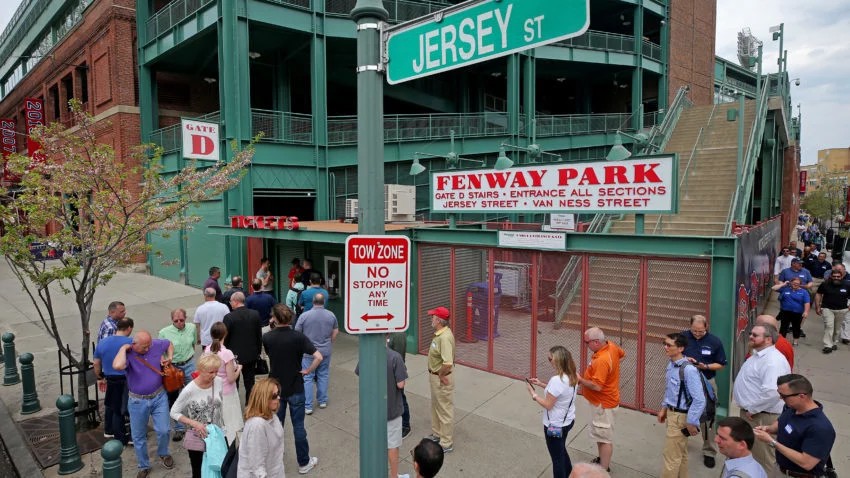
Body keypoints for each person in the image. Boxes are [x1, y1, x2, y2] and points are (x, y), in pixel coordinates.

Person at [263, 304, 322, 474]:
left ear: (274, 318)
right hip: (296, 386)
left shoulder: (268, 338)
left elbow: (269, 356)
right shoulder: (298, 337)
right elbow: (319, 356)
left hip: (275, 389)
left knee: (275, 426)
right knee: (298, 427)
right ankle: (304, 462)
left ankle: (274, 462)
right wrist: (308, 370)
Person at [112, 331, 175, 478]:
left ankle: (164, 453)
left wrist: (169, 357)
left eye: (149, 346)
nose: (147, 349)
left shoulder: (155, 344)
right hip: (137, 401)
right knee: (138, 435)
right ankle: (144, 465)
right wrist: (123, 349)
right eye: (144, 347)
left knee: (164, 429)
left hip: (159, 396)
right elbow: (117, 366)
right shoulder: (128, 354)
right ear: (134, 344)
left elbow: (169, 343)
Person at [732, 324, 790, 475]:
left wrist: (753, 409)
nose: (750, 336)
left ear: (768, 339)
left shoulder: (773, 361)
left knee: (762, 459)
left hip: (761, 417)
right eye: (751, 333)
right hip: (754, 414)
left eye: (755, 335)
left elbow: (772, 392)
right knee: (751, 455)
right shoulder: (759, 354)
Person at [752, 374, 836, 478]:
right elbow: (781, 423)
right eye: (779, 394)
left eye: (784, 396)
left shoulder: (820, 428)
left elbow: (807, 463)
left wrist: (772, 442)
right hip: (779, 470)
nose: (780, 398)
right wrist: (768, 429)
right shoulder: (791, 407)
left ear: (801, 396)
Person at [355, 336, 408, 478]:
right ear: (387, 337)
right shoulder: (395, 357)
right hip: (391, 410)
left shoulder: (366, 354)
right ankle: (394, 475)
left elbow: (360, 373)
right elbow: (400, 384)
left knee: (375, 443)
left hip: (372, 410)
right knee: (392, 445)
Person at [657, 332, 706, 478]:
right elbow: (670, 390)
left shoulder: (688, 370)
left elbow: (699, 399)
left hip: (680, 417)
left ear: (680, 348)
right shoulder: (672, 365)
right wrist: (664, 408)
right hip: (673, 414)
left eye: (669, 345)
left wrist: (691, 421)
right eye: (664, 344)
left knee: (671, 458)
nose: (665, 347)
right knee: (681, 454)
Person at [576, 327, 625, 472]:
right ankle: (602, 460)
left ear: (596, 342)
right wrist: (611, 371)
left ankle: (603, 470)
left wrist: (580, 380)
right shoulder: (612, 346)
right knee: (600, 434)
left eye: (587, 342)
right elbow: (623, 355)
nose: (585, 344)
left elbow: (597, 386)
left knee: (604, 439)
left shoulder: (602, 360)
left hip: (603, 405)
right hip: (603, 403)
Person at [681, 315, 727, 468]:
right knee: (681, 413)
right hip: (685, 382)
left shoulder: (714, 342)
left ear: (706, 327)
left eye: (701, 331)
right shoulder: (682, 337)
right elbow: (673, 353)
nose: (697, 334)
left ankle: (709, 451)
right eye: (694, 331)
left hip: (706, 382)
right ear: (690, 326)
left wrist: (705, 366)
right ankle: (680, 445)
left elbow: (721, 364)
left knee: (708, 418)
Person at [526, 345, 579, 478]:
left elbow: (548, 405)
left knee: (557, 459)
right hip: (568, 421)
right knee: (561, 451)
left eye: (550, 359)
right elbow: (560, 392)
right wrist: (541, 384)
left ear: (558, 360)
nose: (549, 361)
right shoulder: (573, 375)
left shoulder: (557, 380)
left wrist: (533, 394)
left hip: (555, 425)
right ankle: (570, 473)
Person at [169, 354, 224, 478]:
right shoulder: (189, 390)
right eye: (211, 372)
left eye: (216, 371)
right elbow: (174, 412)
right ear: (201, 370)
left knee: (218, 468)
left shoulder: (219, 381)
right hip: (198, 438)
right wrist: (194, 423)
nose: (214, 375)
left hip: (216, 436)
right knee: (199, 471)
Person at [295, 293, 339, 414]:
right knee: (323, 375)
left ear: (313, 301)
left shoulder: (304, 316)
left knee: (308, 377)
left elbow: (297, 333)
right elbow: (335, 331)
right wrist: (329, 342)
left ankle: (308, 406)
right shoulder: (331, 315)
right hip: (325, 351)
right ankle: (322, 401)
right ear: (323, 302)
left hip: (309, 352)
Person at [158, 308, 197, 442]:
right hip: (173, 367)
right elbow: (160, 352)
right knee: (174, 397)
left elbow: (193, 343)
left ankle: (196, 423)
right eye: (176, 321)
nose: (179, 323)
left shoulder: (192, 328)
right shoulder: (164, 333)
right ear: (172, 320)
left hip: (189, 364)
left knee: (194, 394)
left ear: (186, 318)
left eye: (182, 320)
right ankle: (179, 428)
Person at [93, 317, 134, 444]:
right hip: (128, 379)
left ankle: (119, 437)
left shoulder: (103, 343)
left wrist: (100, 377)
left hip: (111, 380)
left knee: (116, 409)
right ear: (129, 328)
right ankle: (133, 436)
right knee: (132, 408)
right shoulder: (131, 342)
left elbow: (96, 363)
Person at [239, 377, 286, 478]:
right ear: (263, 398)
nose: (278, 398)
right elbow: (257, 467)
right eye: (274, 396)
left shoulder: (271, 415)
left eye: (278, 394)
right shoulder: (257, 425)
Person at [205, 322, 244, 444]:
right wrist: (239, 369)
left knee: (218, 423)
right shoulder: (227, 353)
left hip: (212, 391)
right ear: (225, 334)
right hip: (228, 393)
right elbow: (231, 378)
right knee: (231, 424)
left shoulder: (207, 349)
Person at [425, 306, 455, 454]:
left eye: (433, 317)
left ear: (438, 320)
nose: (431, 319)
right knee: (436, 406)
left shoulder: (444, 338)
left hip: (441, 378)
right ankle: (437, 434)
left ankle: (446, 442)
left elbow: (448, 362)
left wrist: (442, 375)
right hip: (435, 377)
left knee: (444, 409)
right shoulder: (439, 334)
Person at [223, 291, 263, 401]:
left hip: (233, 357)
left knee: (233, 383)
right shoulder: (255, 314)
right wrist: (258, 352)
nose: (230, 304)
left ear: (235, 302)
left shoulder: (229, 317)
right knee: (250, 382)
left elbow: (225, 338)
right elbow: (258, 336)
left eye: (231, 302)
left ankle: (234, 404)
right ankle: (249, 405)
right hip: (251, 355)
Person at [814, 269, 850, 354]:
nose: (836, 278)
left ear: (841, 277)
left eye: (838, 276)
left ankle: (834, 342)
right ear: (831, 277)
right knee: (829, 326)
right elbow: (818, 294)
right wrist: (818, 306)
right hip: (827, 308)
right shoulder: (825, 284)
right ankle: (828, 346)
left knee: (837, 329)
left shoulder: (847, 285)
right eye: (834, 276)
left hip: (842, 310)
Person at [771, 277, 810, 345]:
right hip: (785, 312)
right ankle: (781, 341)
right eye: (794, 283)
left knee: (796, 327)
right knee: (783, 327)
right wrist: (783, 284)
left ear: (800, 284)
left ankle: (795, 342)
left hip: (797, 313)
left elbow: (807, 303)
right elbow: (773, 288)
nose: (795, 285)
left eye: (797, 284)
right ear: (790, 283)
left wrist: (806, 312)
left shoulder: (804, 292)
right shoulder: (785, 289)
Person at [388, 331, 412, 438]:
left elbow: (399, 357)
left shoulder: (398, 334)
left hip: (395, 372)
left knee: (400, 397)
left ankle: (405, 425)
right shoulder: (387, 330)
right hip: (387, 371)